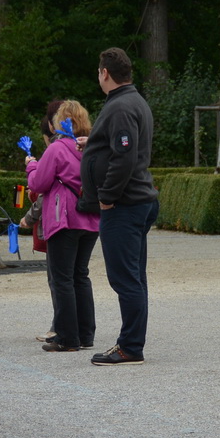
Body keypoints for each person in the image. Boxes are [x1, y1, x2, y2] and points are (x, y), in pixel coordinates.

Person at [80, 46, 156, 366]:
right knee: (134, 277)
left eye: (99, 72)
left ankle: (130, 347)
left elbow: (124, 157)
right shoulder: (131, 101)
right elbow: (121, 147)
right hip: (136, 202)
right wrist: (93, 144)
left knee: (126, 279)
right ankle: (132, 342)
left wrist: (107, 197)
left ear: (105, 73)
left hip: (124, 205)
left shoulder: (121, 106)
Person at [24, 100, 98, 352]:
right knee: (81, 276)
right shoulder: (91, 146)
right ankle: (86, 334)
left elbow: (38, 183)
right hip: (90, 218)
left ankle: (67, 338)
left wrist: (31, 165)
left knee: (62, 278)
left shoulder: (57, 148)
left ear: (61, 121)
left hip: (64, 217)